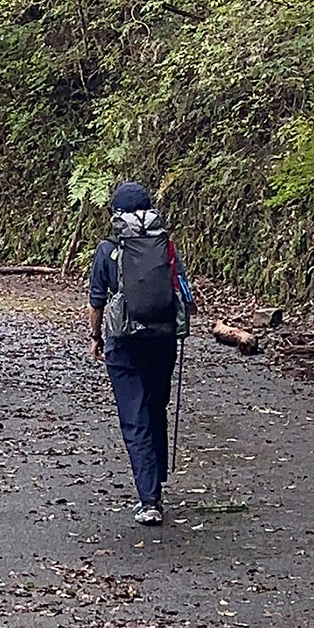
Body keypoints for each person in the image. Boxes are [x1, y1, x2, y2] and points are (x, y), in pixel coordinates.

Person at [88, 180, 193, 525]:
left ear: (116, 214)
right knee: (156, 407)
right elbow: (184, 294)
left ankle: (149, 499)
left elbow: (97, 301)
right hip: (162, 339)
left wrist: (95, 337)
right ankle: (157, 478)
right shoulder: (166, 246)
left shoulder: (107, 250)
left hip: (123, 343)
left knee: (135, 418)